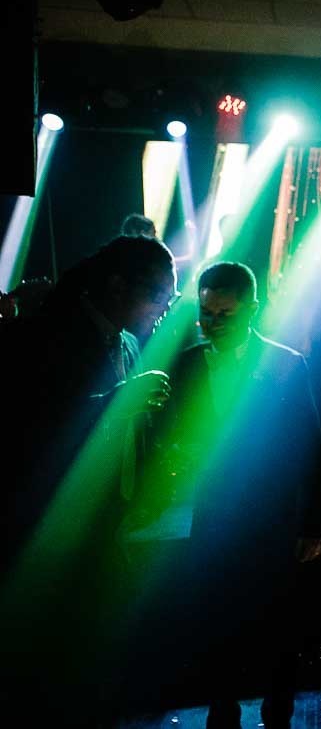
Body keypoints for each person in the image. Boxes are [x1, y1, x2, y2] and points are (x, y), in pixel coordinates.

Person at [0, 236, 177, 725]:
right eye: (158, 295)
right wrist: (122, 400)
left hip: (105, 524)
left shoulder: (125, 341)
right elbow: (36, 429)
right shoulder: (48, 335)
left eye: (171, 298)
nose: (165, 308)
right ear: (117, 287)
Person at [160, 262, 321, 729]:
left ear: (252, 309)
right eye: (206, 313)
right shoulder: (185, 365)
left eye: (223, 314)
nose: (211, 323)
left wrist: (313, 522)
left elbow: (310, 446)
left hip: (272, 517)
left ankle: (279, 714)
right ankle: (222, 712)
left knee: (278, 626)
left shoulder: (285, 363)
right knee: (216, 620)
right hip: (211, 515)